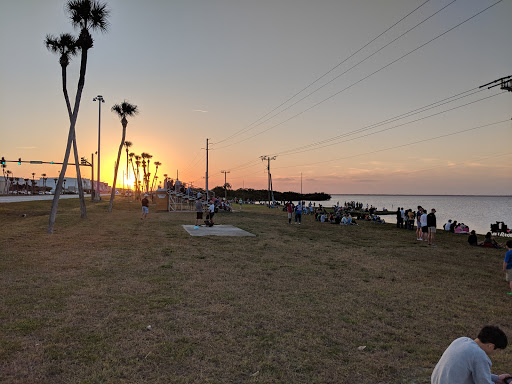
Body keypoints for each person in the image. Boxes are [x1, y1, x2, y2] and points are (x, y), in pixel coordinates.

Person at [431, 325, 511, 384]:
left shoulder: (461, 340)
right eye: (497, 350)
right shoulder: (479, 355)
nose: (496, 353)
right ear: (491, 346)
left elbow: (475, 374)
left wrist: (497, 378)